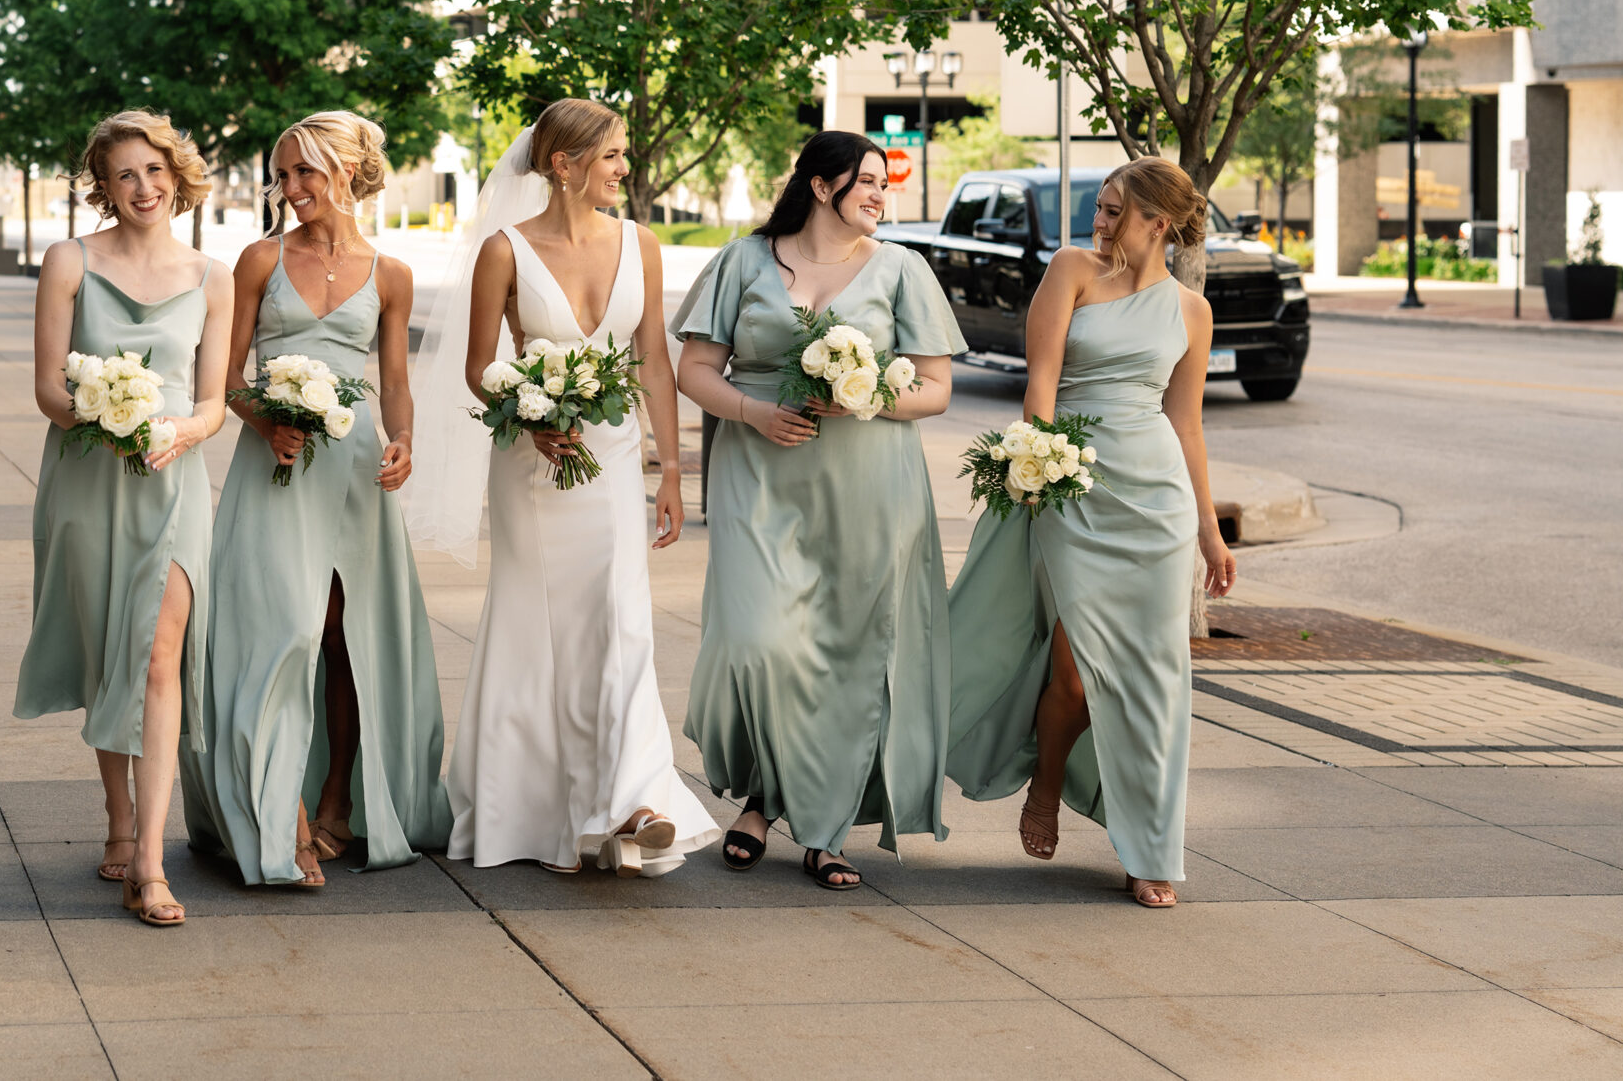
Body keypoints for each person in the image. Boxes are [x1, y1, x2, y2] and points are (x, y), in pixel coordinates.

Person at [425, 99, 717, 877]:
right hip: (533, 462)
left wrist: (672, 469)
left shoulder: (642, 244)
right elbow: (479, 365)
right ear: (565, 164)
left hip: (615, 459)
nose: (625, 167)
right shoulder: (504, 251)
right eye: (614, 155)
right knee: (537, 624)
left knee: (621, 624)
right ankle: (531, 807)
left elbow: (653, 360)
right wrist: (531, 416)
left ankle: (635, 803)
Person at [672, 132, 965, 888]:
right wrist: (752, 410)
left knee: (845, 654)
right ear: (820, 183)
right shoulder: (743, 259)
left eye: (883, 183)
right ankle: (771, 792)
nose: (879, 194)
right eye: (866, 180)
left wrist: (865, 396)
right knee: (758, 641)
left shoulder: (903, 269)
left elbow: (935, 388)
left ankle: (817, 825)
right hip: (758, 472)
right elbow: (694, 368)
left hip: (869, 483)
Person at [945, 156, 1234, 909]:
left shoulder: (1190, 311)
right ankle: (1045, 783)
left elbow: (1187, 422)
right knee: (1075, 670)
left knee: (1156, 679)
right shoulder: (1071, 271)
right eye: (1099, 207)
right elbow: (1040, 384)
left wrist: (1209, 530)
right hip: (1071, 487)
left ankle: (1150, 850)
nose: (1098, 222)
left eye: (1111, 210)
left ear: (1156, 223)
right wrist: (1036, 470)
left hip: (1157, 499)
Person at [181, 113, 451, 887]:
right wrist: (263, 418)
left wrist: (403, 440)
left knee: (345, 635)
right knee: (282, 631)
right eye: (283, 174)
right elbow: (225, 373)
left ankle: (335, 799)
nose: (291, 189)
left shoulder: (390, 272)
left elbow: (392, 380)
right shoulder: (259, 260)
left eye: (305, 172)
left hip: (356, 470)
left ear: (349, 168)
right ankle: (279, 813)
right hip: (276, 469)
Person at [12, 110, 232, 928]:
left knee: (158, 657)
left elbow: (213, 404)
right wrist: (107, 419)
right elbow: (46, 389)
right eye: (125, 175)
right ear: (101, 186)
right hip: (86, 478)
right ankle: (118, 815)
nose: (144, 187)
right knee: (113, 649)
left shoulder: (214, 276)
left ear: (177, 172)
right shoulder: (69, 260)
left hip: (173, 482)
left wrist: (175, 429)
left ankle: (150, 857)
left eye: (155, 169)